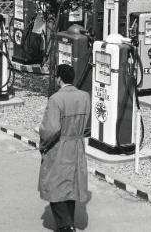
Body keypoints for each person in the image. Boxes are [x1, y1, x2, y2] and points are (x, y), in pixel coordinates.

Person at [38, 64, 91, 232]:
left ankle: (65, 226)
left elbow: (51, 129)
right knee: (71, 185)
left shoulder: (56, 99)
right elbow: (88, 124)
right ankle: (69, 222)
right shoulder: (85, 96)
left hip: (59, 146)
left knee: (55, 186)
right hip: (77, 145)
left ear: (59, 78)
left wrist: (43, 145)